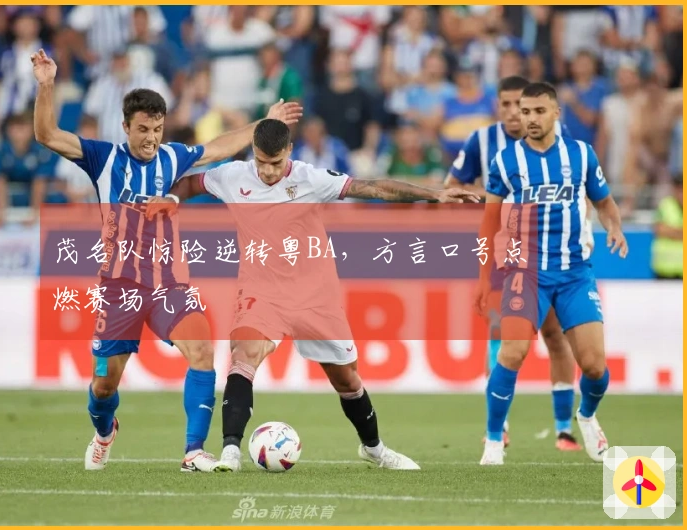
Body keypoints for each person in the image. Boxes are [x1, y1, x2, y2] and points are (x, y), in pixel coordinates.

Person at [148, 119, 480, 472]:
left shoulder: (310, 179)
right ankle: (231, 450)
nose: (268, 171)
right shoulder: (233, 176)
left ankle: (374, 449)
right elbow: (190, 183)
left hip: (314, 293)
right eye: (261, 162)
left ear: (289, 151)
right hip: (261, 290)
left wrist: (435, 194)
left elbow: (373, 188)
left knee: (346, 379)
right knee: (243, 356)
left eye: (276, 163)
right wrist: (170, 198)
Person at [30, 49, 302, 473]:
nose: (151, 138)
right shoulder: (103, 159)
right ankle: (105, 432)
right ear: (125, 127)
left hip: (167, 284)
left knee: (202, 350)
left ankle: (194, 452)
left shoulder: (172, 157)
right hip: (118, 288)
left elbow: (219, 148)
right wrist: (46, 84)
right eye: (143, 129)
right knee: (104, 386)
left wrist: (265, 124)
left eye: (157, 128)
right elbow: (47, 134)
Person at [475, 82, 629, 466]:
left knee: (594, 366)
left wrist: (614, 226)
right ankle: (493, 440)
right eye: (525, 113)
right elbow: (488, 223)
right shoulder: (506, 161)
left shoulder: (580, 154)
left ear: (556, 113)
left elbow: (605, 202)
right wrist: (483, 278)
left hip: (575, 272)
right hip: (523, 271)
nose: (529, 119)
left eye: (538, 112)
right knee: (513, 353)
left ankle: (587, 415)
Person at [444, 76, 585, 451]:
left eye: (517, 105)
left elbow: (576, 186)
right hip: (504, 252)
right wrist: (492, 198)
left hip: (552, 253)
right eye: (505, 104)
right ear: (499, 106)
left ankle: (563, 428)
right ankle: (499, 427)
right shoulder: (482, 141)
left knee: (556, 335)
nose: (512, 113)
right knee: (501, 333)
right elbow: (449, 189)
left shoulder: (558, 137)